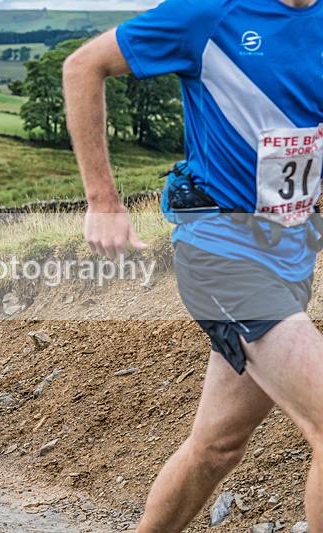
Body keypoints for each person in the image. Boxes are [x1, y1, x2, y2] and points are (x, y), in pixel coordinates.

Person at [63, 0, 323, 530]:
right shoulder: (210, 13)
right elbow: (83, 65)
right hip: (221, 250)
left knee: (216, 447)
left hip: (293, 257)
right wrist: (103, 201)